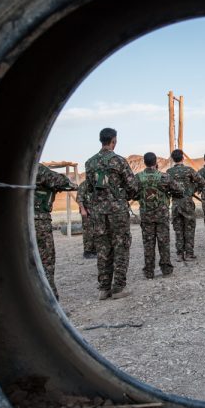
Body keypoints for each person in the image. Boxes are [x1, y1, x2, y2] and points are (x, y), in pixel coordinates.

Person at [84, 128, 137, 300]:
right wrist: (124, 197)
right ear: (113, 140)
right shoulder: (119, 161)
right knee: (121, 246)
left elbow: (90, 188)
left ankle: (104, 289)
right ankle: (118, 288)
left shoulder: (89, 163)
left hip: (98, 212)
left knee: (103, 249)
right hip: (117, 212)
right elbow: (133, 187)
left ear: (101, 140)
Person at [135, 152, 183, 279]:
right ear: (156, 162)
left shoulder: (138, 177)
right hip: (161, 214)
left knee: (148, 243)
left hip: (146, 215)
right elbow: (179, 190)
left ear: (145, 162)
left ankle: (149, 271)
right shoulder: (164, 177)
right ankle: (166, 269)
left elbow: (131, 193)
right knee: (164, 242)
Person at [34, 163, 77, 300]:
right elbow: (62, 181)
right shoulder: (34, 168)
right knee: (46, 262)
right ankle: (51, 304)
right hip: (38, 221)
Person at [166, 149, 205, 260]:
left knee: (178, 229)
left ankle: (179, 254)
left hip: (175, 203)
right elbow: (202, 182)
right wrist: (194, 190)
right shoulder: (189, 170)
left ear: (173, 159)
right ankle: (189, 254)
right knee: (189, 228)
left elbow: (166, 187)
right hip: (187, 202)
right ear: (183, 158)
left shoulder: (169, 172)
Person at [75, 177, 97, 258]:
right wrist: (83, 210)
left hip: (96, 212)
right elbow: (79, 198)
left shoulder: (97, 184)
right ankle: (87, 251)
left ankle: (94, 250)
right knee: (88, 232)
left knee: (96, 231)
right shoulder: (84, 184)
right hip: (87, 212)